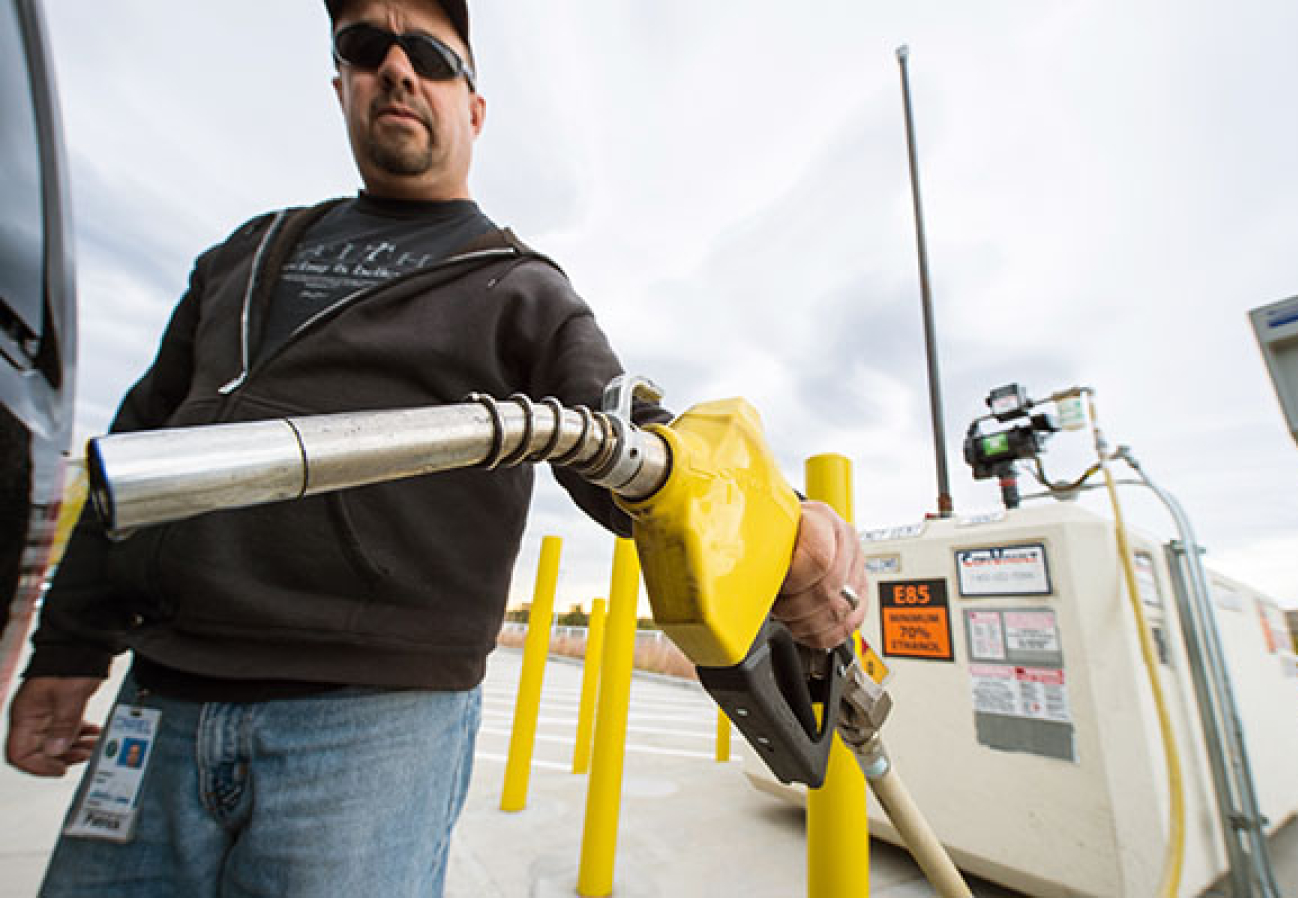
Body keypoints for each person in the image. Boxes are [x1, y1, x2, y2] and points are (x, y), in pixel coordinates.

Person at [4, 1, 869, 895]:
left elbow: (628, 450)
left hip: (374, 727)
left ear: (475, 107)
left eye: (429, 52)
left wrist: (785, 530)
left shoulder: (518, 287)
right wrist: (66, 652)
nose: (397, 68)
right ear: (339, 82)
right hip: (161, 699)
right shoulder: (248, 253)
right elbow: (135, 449)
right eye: (364, 47)